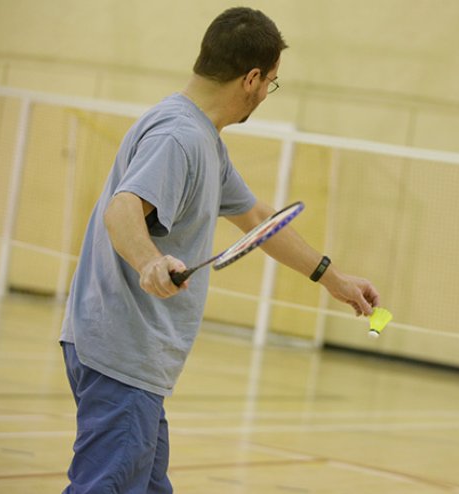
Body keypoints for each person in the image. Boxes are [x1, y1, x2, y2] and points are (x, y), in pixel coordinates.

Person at [59, 7, 380, 493]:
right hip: (123, 352)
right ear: (252, 78)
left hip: (130, 355)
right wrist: (149, 262)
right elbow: (122, 211)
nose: (266, 93)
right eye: (271, 82)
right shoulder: (178, 137)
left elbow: (257, 220)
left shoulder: (202, 138)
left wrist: (335, 279)